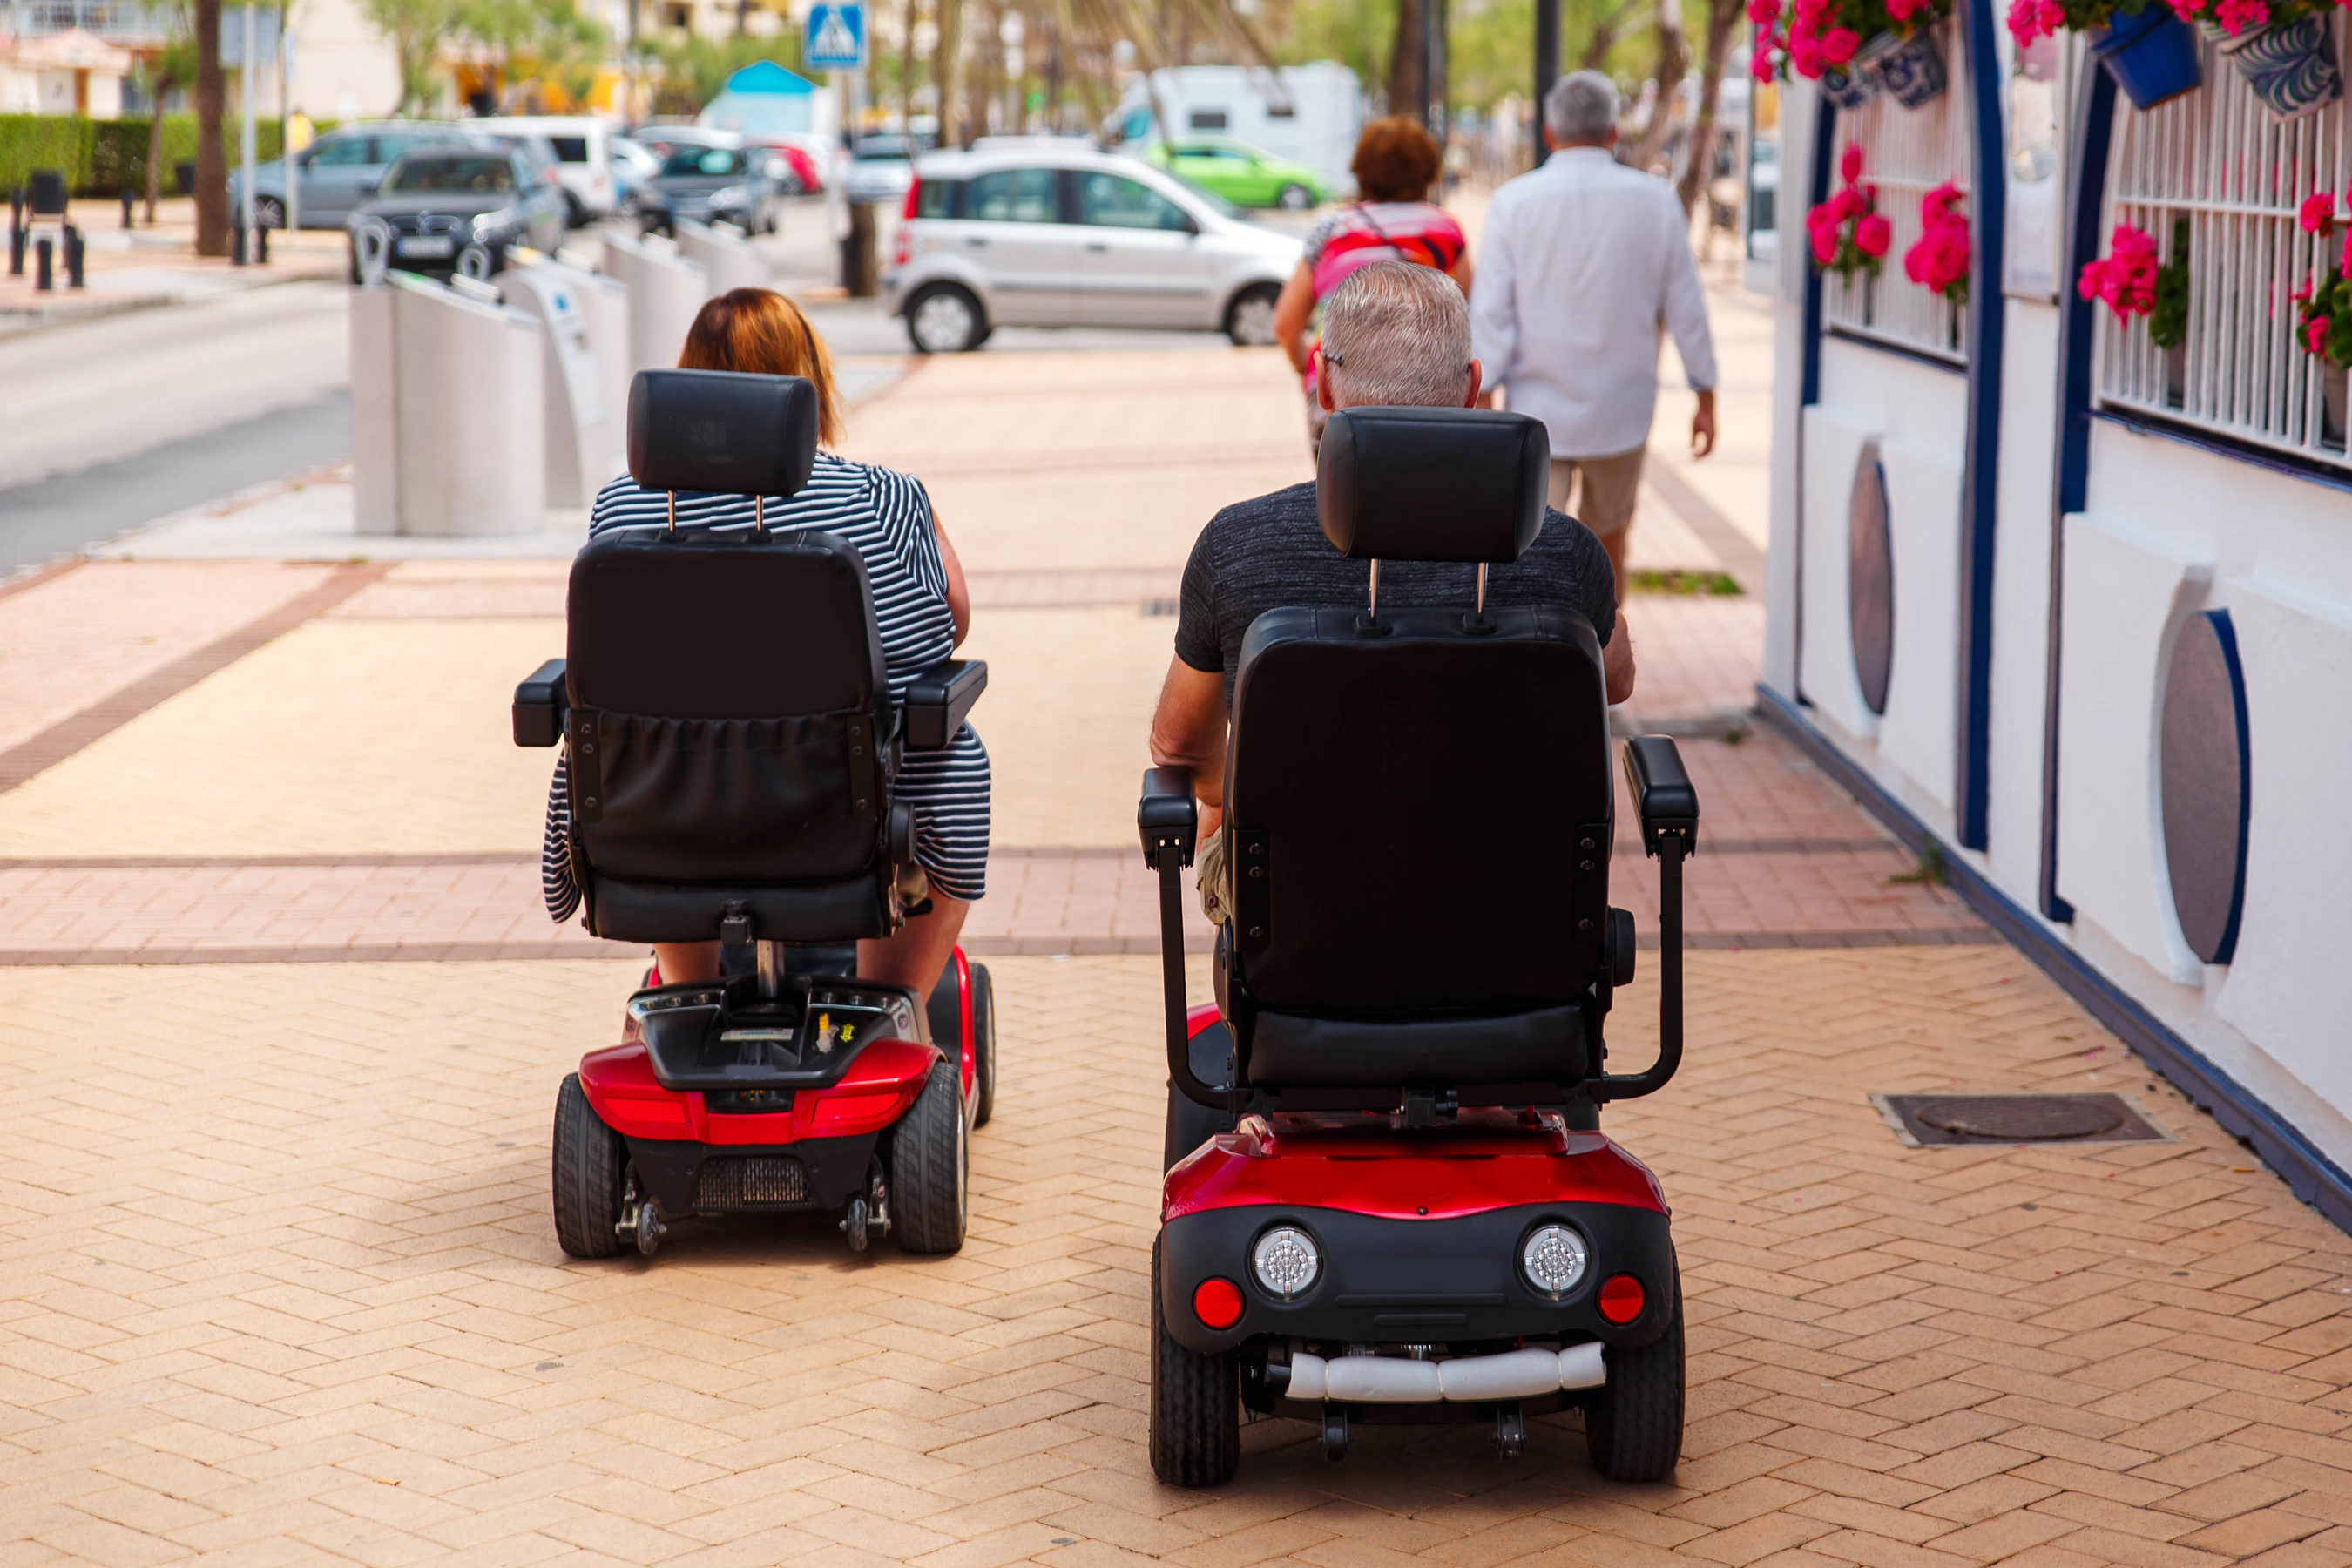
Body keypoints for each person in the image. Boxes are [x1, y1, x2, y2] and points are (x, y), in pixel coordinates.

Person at [1151, 260, 1633, 923]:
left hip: (1299, 946)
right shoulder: (1564, 550)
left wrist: (1224, 794)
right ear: (1471, 388)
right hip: (1521, 938)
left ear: (1321, 382)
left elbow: (1178, 746)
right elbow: (1614, 679)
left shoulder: (1237, 545)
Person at [540, 287, 989, 1001]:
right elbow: (940, 631)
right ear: (808, 384)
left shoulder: (621, 508)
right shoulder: (883, 498)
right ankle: (895, 1006)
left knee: (653, 744)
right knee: (943, 743)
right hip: (835, 806)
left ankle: (684, 991)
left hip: (664, 808)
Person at [1470, 70, 1719, 604]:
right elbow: (1686, 308)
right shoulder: (1656, 201)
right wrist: (1705, 395)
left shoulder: (1513, 202)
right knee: (1609, 546)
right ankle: (1603, 668)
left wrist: (1484, 404)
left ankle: (1542, 665)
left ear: (1550, 133)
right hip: (1622, 411)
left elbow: (1490, 314)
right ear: (1614, 133)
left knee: (1532, 552)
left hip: (1535, 418)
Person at [1271, 117, 1472, 455]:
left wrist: (1312, 373)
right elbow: (1465, 316)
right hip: (1428, 397)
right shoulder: (1445, 231)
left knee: (1339, 503)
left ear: (1361, 170)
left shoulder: (1332, 231)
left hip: (1341, 402)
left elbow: (1285, 326)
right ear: (1427, 171)